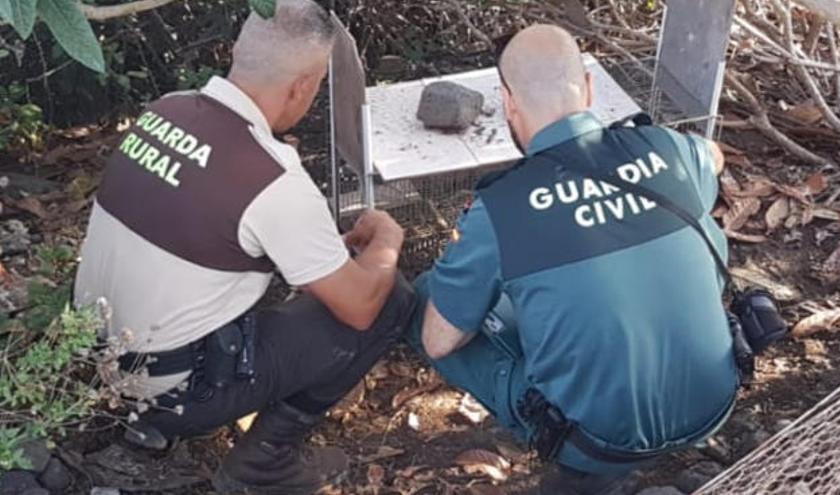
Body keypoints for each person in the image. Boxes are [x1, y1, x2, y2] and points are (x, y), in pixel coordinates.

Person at [74, 2, 415, 493]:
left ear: (237, 51)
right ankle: (265, 463)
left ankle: (147, 429)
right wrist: (387, 241)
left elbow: (198, 231)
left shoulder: (166, 109)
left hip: (95, 363)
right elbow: (360, 307)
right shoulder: (270, 176)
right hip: (174, 390)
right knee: (391, 301)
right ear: (303, 86)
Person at [408, 25, 739, 494]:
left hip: (598, 442)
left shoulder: (503, 207)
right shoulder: (671, 149)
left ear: (508, 103)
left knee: (428, 299)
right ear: (587, 87)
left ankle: (588, 478)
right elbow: (713, 154)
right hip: (713, 404)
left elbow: (439, 340)